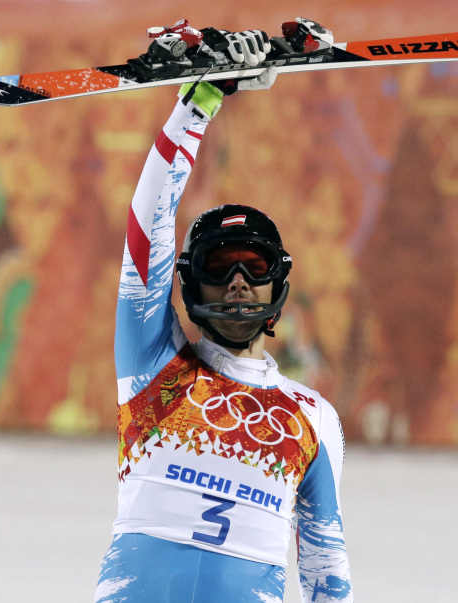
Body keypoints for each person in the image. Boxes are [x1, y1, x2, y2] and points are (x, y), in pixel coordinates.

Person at [94, 26, 353, 603]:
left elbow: (326, 570)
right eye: (219, 266)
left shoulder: (314, 419)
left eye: (253, 267)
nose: (237, 282)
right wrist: (197, 105)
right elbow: (147, 230)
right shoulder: (154, 372)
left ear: (279, 283)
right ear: (188, 280)